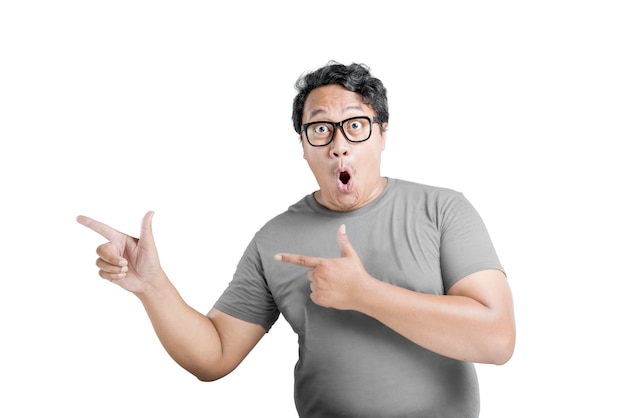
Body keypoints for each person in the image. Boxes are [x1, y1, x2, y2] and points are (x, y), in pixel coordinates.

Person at [77, 61, 515, 417]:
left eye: (356, 125)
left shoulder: (443, 211)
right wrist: (152, 287)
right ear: (304, 146)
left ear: (383, 134)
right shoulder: (275, 239)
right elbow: (213, 356)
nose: (339, 145)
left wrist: (365, 295)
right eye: (321, 129)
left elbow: (497, 340)